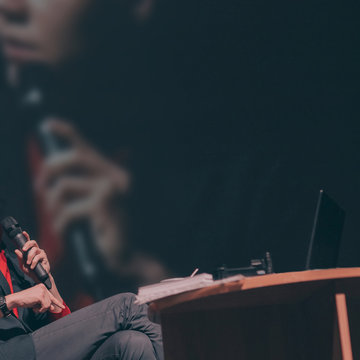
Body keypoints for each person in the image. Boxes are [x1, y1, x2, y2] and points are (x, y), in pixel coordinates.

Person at [0, 227, 164, 360]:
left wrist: (46, 281)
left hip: (37, 350)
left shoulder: (14, 262)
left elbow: (58, 332)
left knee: (132, 343)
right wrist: (10, 301)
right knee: (127, 306)